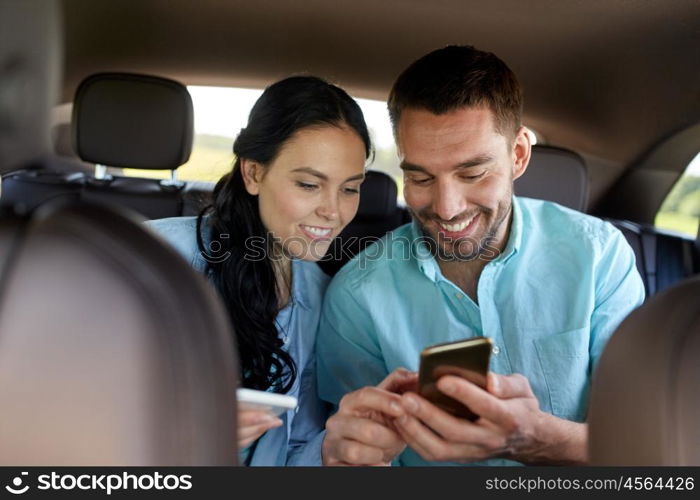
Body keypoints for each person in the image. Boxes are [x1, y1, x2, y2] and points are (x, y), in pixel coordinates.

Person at [316, 45, 645, 466]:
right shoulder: (357, 296)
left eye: (472, 173)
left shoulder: (598, 256)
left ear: (519, 155)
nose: (447, 207)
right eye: (419, 176)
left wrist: (536, 439)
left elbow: (642, 445)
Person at [146, 75, 372, 465]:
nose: (333, 211)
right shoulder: (154, 259)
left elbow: (294, 445)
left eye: (350, 188)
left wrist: (333, 451)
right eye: (308, 184)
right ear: (253, 173)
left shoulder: (323, 297)